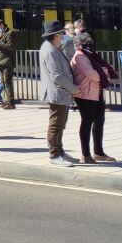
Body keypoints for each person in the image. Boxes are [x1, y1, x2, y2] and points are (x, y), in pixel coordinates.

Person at [71, 32, 117, 163]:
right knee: (87, 122)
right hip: (85, 95)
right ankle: (85, 155)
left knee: (99, 122)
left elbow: (107, 68)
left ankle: (99, 152)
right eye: (87, 43)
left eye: (91, 42)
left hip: (97, 93)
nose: (90, 45)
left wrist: (104, 71)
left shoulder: (91, 56)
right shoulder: (79, 57)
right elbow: (94, 75)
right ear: (79, 45)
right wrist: (104, 72)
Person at [39, 20, 79, 166]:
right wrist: (73, 88)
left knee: (60, 124)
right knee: (56, 124)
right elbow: (57, 76)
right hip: (57, 93)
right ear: (55, 35)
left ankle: (60, 151)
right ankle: (54, 155)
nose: (63, 35)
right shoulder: (49, 50)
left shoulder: (52, 47)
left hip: (61, 93)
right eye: (61, 33)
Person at [0, 18, 17, 109]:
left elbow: (10, 46)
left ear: (1, 25)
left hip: (7, 61)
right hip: (0, 61)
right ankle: (8, 101)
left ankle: (11, 103)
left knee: (7, 82)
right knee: (4, 83)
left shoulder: (10, 33)